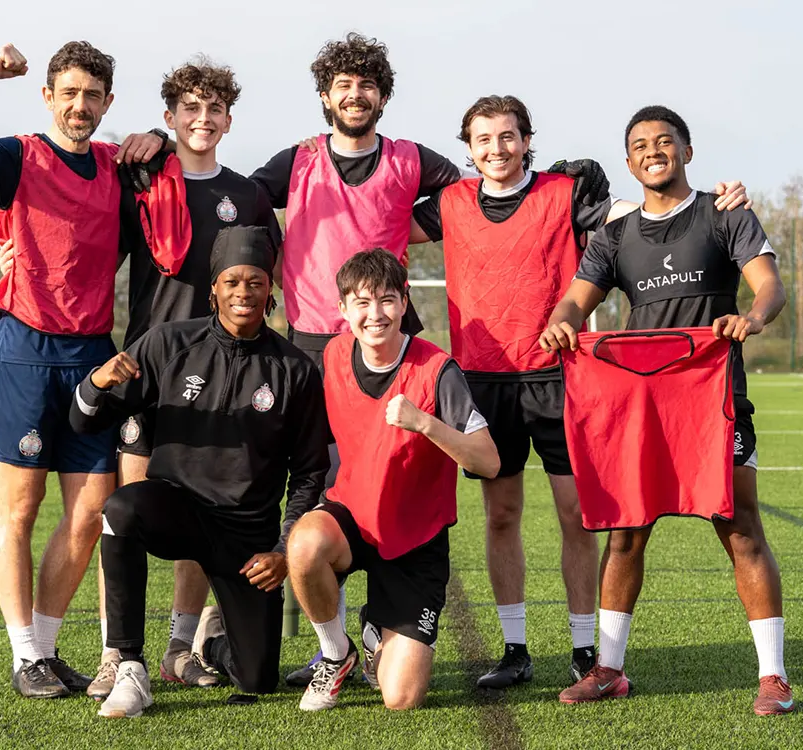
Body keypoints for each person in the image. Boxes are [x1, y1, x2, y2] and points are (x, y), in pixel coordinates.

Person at [409, 95, 753, 688]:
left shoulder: (566, 194)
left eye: (509, 136)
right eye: (484, 139)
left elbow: (648, 214)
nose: (497, 148)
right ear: (467, 149)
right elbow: (383, 226)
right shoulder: (448, 203)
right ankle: (515, 650)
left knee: (576, 514)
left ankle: (583, 650)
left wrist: (717, 205)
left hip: (559, 376)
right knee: (501, 516)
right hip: (483, 382)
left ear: (526, 139)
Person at [539, 105, 792, 716]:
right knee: (625, 534)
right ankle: (608, 669)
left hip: (715, 400)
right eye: (640, 145)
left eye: (665, 141)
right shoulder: (615, 235)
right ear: (628, 162)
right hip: (641, 409)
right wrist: (560, 324)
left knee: (740, 529)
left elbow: (769, 287)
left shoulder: (724, 213)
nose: (653, 151)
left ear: (686, 149)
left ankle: (774, 677)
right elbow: (575, 301)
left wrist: (750, 319)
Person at [0, 41, 160, 699]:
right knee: (19, 509)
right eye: (70, 92)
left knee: (91, 511)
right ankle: (23, 653)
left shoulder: (117, 165)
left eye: (93, 95)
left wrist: (158, 135)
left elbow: (165, 158)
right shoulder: (17, 155)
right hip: (24, 348)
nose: (81, 104)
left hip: (93, 356)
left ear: (107, 103)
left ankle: (49, 653)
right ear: (49, 96)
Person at [249, 32, 461, 685]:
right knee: (323, 483)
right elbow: (238, 199)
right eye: (343, 85)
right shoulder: (301, 159)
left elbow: (470, 198)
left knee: (393, 475)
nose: (355, 94)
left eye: (367, 85)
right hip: (314, 340)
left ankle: (381, 619)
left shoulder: (408, 158)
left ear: (382, 95)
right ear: (325, 96)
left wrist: (412, 226)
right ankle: (331, 644)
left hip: (388, 335)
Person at [69, 225, 329, 718]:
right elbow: (83, 422)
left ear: (269, 288)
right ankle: (129, 665)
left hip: (248, 534)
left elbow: (311, 472)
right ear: (214, 288)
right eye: (232, 282)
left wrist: (281, 550)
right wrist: (95, 382)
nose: (243, 293)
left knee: (257, 679)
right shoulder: (169, 345)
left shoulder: (294, 369)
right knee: (122, 507)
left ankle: (210, 644)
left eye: (255, 282)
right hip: (178, 510)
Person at [92, 58, 282, 699]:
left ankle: (181, 647)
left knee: (203, 508)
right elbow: (93, 242)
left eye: (215, 109)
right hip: (150, 371)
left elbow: (271, 272)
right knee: (127, 511)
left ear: (229, 119)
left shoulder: (249, 195)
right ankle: (117, 655)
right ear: (170, 117)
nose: (203, 120)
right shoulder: (141, 177)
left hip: (225, 376)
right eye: (190, 109)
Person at [286, 249, 500, 711]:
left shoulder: (438, 370)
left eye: (386, 300)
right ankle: (335, 654)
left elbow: (488, 462)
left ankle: (374, 630)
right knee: (303, 546)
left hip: (416, 539)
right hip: (351, 519)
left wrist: (426, 423)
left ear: (404, 302)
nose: (374, 314)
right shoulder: (334, 353)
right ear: (342, 310)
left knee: (401, 699)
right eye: (361, 303)